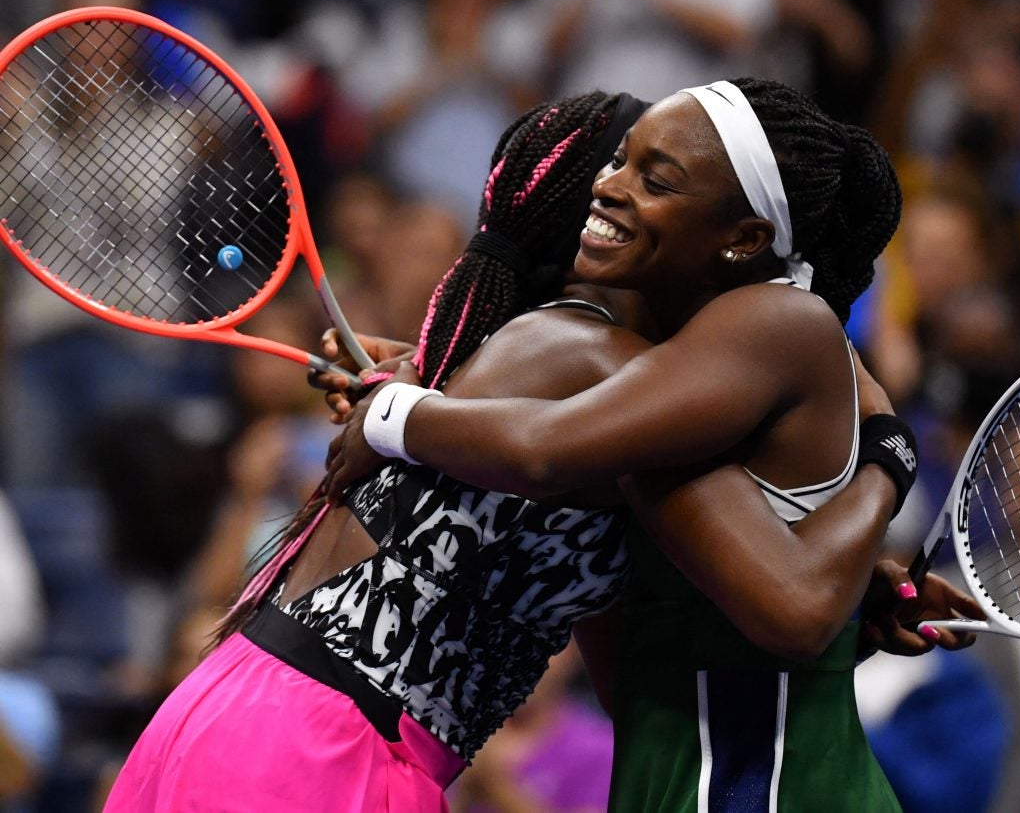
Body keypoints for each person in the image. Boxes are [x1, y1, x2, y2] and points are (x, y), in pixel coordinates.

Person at [105, 85, 974, 812]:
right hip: (322, 749)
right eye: (619, 161)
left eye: (656, 175)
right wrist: (887, 460)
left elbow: (642, 645)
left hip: (243, 719)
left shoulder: (540, 361)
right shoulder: (592, 364)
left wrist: (859, 590)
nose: (614, 186)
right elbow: (781, 600)